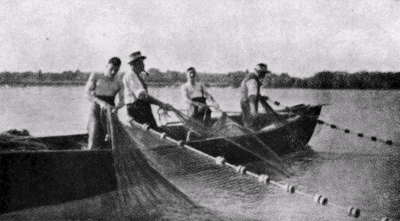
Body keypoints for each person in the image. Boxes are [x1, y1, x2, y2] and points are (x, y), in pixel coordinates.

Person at [123, 51, 171, 129]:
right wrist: (161, 104)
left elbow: (145, 96)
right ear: (134, 64)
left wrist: (162, 104)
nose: (143, 65)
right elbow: (142, 95)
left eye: (142, 62)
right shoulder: (130, 74)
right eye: (140, 62)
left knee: (154, 130)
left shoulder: (139, 75)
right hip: (136, 109)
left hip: (143, 107)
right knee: (149, 133)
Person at [84, 57, 124, 150]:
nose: (113, 72)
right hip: (96, 109)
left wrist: (117, 107)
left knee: (112, 141)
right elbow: (87, 94)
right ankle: (91, 151)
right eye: (111, 69)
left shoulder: (119, 81)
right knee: (94, 138)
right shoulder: (96, 76)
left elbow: (122, 100)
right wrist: (101, 103)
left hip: (111, 111)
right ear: (106, 66)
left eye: (116, 70)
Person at [240, 63, 279, 130]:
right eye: (264, 73)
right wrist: (253, 112)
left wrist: (260, 97)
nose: (264, 76)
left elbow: (250, 92)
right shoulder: (253, 80)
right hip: (249, 104)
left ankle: (250, 131)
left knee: (248, 123)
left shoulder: (249, 76)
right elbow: (252, 97)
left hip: (244, 103)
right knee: (252, 124)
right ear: (261, 73)